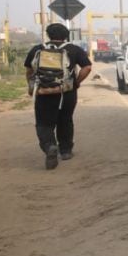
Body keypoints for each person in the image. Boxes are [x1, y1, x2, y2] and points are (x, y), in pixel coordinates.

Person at [25, 23, 92, 169]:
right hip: (67, 93)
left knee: (44, 123)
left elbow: (29, 70)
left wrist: (31, 87)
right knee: (65, 120)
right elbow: (87, 67)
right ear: (66, 35)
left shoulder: (37, 49)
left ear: (48, 35)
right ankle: (66, 151)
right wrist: (76, 82)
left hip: (43, 93)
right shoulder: (73, 49)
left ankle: (50, 146)